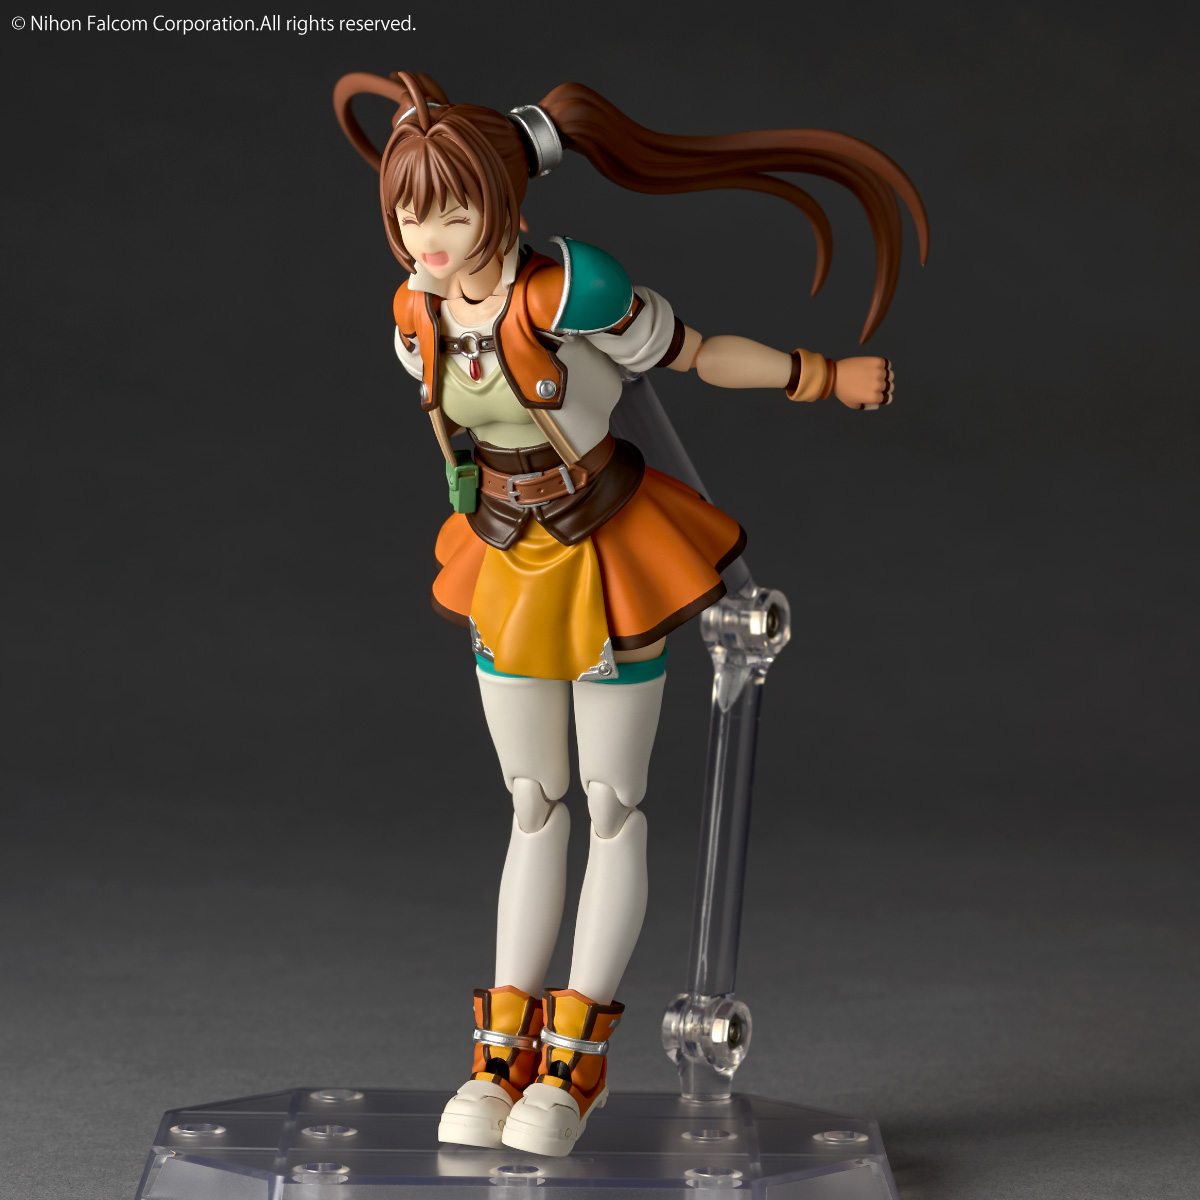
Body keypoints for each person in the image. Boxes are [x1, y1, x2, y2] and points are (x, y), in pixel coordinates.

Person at [333, 69, 928, 1157]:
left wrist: (820, 375)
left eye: (452, 211)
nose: (429, 237)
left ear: (502, 201)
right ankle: (501, 1052)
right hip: (505, 554)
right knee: (532, 802)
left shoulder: (571, 291)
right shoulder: (416, 310)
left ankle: (577, 1060)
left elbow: (693, 356)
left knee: (612, 805)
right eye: (411, 213)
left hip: (607, 551)